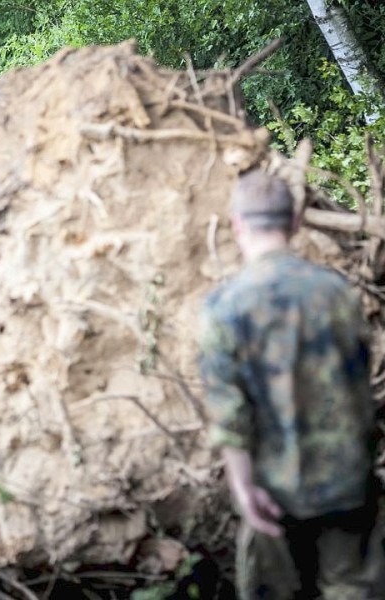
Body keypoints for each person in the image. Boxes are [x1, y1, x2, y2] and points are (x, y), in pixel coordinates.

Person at [198, 169, 385, 599]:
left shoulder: (225, 307)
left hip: (272, 493)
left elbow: (230, 417)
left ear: (236, 224)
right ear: (296, 221)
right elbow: (359, 384)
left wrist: (243, 490)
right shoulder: (337, 292)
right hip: (348, 485)